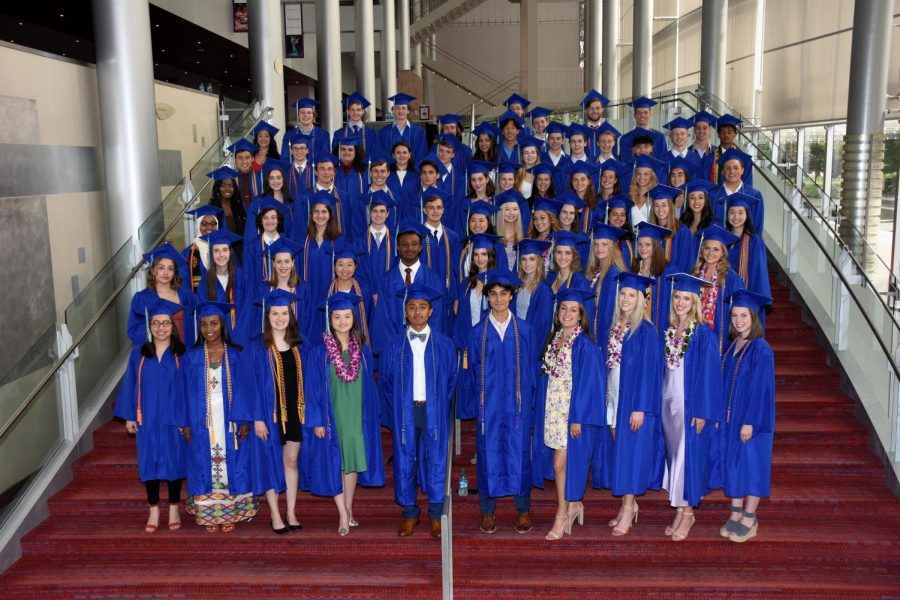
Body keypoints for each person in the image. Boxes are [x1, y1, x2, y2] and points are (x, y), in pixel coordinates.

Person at [460, 268, 537, 535]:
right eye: (493, 294)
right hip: (489, 407)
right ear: (487, 297)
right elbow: (471, 374)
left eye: (504, 294)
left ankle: (523, 510)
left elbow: (530, 370)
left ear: (511, 295)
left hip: (516, 407)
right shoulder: (477, 332)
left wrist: (529, 405)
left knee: (519, 457)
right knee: (487, 456)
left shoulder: (524, 330)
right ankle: (488, 511)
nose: (498, 299)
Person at [381, 282, 458, 538]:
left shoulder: (445, 345)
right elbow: (387, 383)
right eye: (412, 307)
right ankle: (410, 513)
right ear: (405, 311)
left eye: (422, 307)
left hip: (433, 410)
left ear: (431, 311)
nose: (417, 312)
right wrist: (399, 407)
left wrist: (437, 405)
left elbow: (451, 381)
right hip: (405, 410)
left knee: (435, 458)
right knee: (405, 460)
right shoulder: (393, 345)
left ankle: (435, 514)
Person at [304, 292, 385, 535]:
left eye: (346, 316)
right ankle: (341, 514)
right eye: (337, 317)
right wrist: (317, 420)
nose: (342, 321)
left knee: (350, 464)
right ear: (330, 319)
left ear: (353, 318)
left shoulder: (363, 350)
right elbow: (313, 389)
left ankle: (349, 509)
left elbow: (370, 387)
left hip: (356, 414)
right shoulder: (319, 353)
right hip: (332, 414)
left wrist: (372, 416)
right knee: (335, 462)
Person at [232, 289, 310, 534]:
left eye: (284, 313)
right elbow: (248, 384)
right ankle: (275, 515)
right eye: (274, 313)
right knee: (269, 462)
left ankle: (291, 512)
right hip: (268, 415)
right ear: (267, 316)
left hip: (295, 414)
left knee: (291, 460)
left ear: (291, 314)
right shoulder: (256, 347)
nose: (279, 318)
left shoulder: (301, 344)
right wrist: (256, 418)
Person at [177, 301, 258, 532]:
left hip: (229, 420)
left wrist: (244, 420)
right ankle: (210, 514)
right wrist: (184, 423)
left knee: (232, 463)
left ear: (222, 325)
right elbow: (181, 391)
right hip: (200, 420)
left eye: (213, 323)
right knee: (204, 465)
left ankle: (230, 512)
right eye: (203, 324)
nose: (208, 328)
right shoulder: (191, 358)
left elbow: (245, 389)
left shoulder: (236, 355)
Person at [533, 287, 605, 539]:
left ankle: (562, 513)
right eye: (563, 308)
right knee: (560, 465)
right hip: (553, 410)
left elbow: (589, 384)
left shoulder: (585, 344)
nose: (567, 313)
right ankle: (574, 505)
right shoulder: (554, 340)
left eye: (573, 309)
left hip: (571, 412)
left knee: (559, 463)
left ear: (581, 315)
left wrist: (578, 418)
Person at [115, 297, 188, 533]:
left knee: (174, 463)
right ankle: (154, 509)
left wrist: (185, 419)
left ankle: (175, 507)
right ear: (150, 326)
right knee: (149, 464)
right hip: (147, 419)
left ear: (172, 326)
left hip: (173, 419)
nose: (161, 328)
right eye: (156, 323)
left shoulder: (181, 354)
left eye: (166, 323)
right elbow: (130, 385)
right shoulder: (139, 355)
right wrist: (129, 416)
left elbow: (189, 389)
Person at [660, 274, 723, 541]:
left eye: (686, 298)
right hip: (668, 406)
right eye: (677, 297)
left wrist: (702, 411)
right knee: (675, 457)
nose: (680, 302)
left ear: (695, 301)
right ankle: (679, 508)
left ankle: (687, 513)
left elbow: (709, 375)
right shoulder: (671, 330)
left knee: (688, 458)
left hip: (688, 406)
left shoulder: (703, 334)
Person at [605, 272, 663, 536]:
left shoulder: (646, 331)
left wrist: (639, 407)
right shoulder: (616, 324)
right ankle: (629, 504)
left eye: (632, 295)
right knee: (620, 448)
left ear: (641, 299)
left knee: (629, 452)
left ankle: (628, 508)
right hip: (615, 393)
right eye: (623, 294)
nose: (626, 299)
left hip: (632, 398)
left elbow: (649, 372)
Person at [719, 289, 775, 543]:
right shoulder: (734, 345)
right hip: (733, 417)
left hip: (752, 419)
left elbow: (761, 389)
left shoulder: (761, 349)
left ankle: (750, 517)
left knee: (752, 464)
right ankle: (736, 511)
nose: (739, 320)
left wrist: (750, 421)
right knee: (735, 463)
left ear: (754, 317)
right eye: (734, 315)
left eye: (744, 315)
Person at [371, 219, 448, 361]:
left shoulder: (433, 279)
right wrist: (395, 347)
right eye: (404, 244)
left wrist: (425, 345)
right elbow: (383, 321)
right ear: (398, 247)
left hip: (426, 350)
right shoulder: (386, 281)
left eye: (414, 244)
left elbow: (436, 317)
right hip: (394, 352)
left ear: (420, 247)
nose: (409, 248)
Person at [128, 243, 197, 348]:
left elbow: (199, 318)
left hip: (186, 352)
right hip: (158, 356)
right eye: (161, 268)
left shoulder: (186, 294)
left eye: (170, 268)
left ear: (174, 272)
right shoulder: (142, 298)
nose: (166, 272)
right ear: (153, 270)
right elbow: (134, 330)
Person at [692, 225, 745, 354]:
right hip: (695, 332)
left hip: (719, 335)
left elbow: (740, 310)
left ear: (723, 253)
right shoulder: (696, 274)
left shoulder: (731, 278)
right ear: (702, 250)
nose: (710, 253)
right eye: (707, 248)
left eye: (716, 249)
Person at [197, 229, 248, 344]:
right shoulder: (205, 283)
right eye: (216, 251)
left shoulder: (241, 277)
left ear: (230, 252)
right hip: (214, 340)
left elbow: (247, 309)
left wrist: (239, 335)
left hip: (240, 336)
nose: (221, 255)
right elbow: (203, 315)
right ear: (211, 254)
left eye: (225, 250)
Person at [452, 233, 499, 352]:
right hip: (468, 342)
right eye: (476, 255)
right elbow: (461, 317)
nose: (480, 259)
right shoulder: (466, 284)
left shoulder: (498, 283)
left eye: (484, 254)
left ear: (490, 256)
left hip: (490, 343)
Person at [299, 191, 346, 305]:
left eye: (324, 211)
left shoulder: (339, 241)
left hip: (331, 294)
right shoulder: (303, 241)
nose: (320, 216)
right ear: (312, 214)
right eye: (316, 211)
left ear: (330, 215)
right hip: (308, 295)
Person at [585, 223, 628, 343]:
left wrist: (600, 340)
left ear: (612, 247)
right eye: (596, 244)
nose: (599, 248)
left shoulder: (613, 274)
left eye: (604, 244)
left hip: (602, 336)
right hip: (592, 332)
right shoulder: (596, 272)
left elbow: (608, 313)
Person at [725, 193, 772, 303]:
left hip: (745, 298)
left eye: (740, 212)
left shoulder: (755, 242)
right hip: (724, 297)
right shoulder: (722, 239)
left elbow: (759, 274)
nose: (736, 217)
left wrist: (753, 302)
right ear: (727, 215)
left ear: (747, 215)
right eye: (732, 212)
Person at [631, 222, 675, 338]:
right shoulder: (634, 268)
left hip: (659, 326)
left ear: (655, 246)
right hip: (636, 325)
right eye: (640, 244)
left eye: (647, 245)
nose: (643, 248)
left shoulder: (668, 270)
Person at [324, 246, 374, 345]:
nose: (345, 269)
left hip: (360, 346)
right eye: (340, 264)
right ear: (334, 267)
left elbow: (371, 321)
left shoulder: (365, 292)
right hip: (333, 348)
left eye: (349, 265)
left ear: (355, 267)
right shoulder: (327, 292)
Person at [514, 239, 554, 356]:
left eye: (532, 259)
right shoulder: (516, 285)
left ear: (538, 261)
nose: (527, 264)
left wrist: (532, 351)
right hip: (515, 340)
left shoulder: (544, 290)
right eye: (524, 259)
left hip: (531, 347)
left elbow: (543, 326)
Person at [710, 148, 764, 233]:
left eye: (736, 168)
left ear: (742, 170)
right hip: (719, 244)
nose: (731, 171)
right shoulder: (712, 195)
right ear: (723, 171)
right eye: (727, 168)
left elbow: (757, 227)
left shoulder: (754, 195)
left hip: (745, 244)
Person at [421, 187, 462, 295]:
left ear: (443, 210)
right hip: (423, 292)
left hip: (447, 293)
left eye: (439, 207)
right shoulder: (417, 236)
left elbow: (455, 270)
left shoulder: (453, 237)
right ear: (425, 210)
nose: (435, 211)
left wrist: (456, 297)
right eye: (431, 208)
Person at [648, 184, 695, 273]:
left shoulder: (682, 231)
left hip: (673, 282)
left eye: (664, 205)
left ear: (670, 206)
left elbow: (685, 263)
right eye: (656, 205)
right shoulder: (651, 231)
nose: (660, 209)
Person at [242, 198, 287, 287]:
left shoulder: (286, 244)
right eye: (265, 218)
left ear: (278, 220)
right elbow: (248, 277)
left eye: (273, 217)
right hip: (260, 297)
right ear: (261, 221)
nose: (269, 221)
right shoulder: (253, 247)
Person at [182, 203, 222, 294]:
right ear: (198, 226)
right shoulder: (188, 253)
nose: (209, 227)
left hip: (221, 298)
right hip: (198, 300)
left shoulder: (225, 248)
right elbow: (184, 282)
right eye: (204, 224)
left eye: (213, 223)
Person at [360, 190, 397, 284]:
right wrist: (370, 291)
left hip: (388, 290)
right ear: (370, 213)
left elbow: (396, 270)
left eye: (382, 211)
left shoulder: (395, 241)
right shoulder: (359, 240)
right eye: (375, 211)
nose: (378, 215)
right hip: (366, 292)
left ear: (387, 214)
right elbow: (358, 270)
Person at [379, 93, 428, 162]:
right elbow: (382, 155)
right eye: (397, 108)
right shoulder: (384, 132)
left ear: (408, 111)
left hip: (413, 171)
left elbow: (421, 154)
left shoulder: (419, 131)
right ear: (393, 111)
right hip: (391, 171)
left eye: (403, 108)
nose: (400, 111)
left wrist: (413, 171)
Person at [618, 96, 668, 162]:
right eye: (639, 112)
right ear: (634, 115)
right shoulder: (625, 139)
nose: (642, 115)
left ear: (650, 114)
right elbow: (624, 164)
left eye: (645, 112)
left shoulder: (659, 137)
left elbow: (663, 162)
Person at [286, 98, 331, 164]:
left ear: (313, 115)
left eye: (309, 112)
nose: (306, 115)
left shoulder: (323, 134)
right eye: (302, 112)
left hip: (316, 173)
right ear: (298, 115)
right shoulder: (289, 135)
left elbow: (325, 158)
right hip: (295, 172)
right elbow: (285, 158)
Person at [206, 166, 246, 235]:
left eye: (230, 185)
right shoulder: (211, 210)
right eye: (223, 185)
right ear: (218, 188)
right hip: (220, 245)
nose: (227, 189)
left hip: (239, 244)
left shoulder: (239, 207)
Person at [496, 189, 529, 262]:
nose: (511, 213)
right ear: (501, 211)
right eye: (507, 209)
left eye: (515, 209)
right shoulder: (494, 234)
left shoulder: (524, 235)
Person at [228, 139, 263, 208]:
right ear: (235, 160)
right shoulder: (229, 180)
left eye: (247, 158)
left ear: (252, 158)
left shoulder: (261, 178)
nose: (244, 162)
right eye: (240, 158)